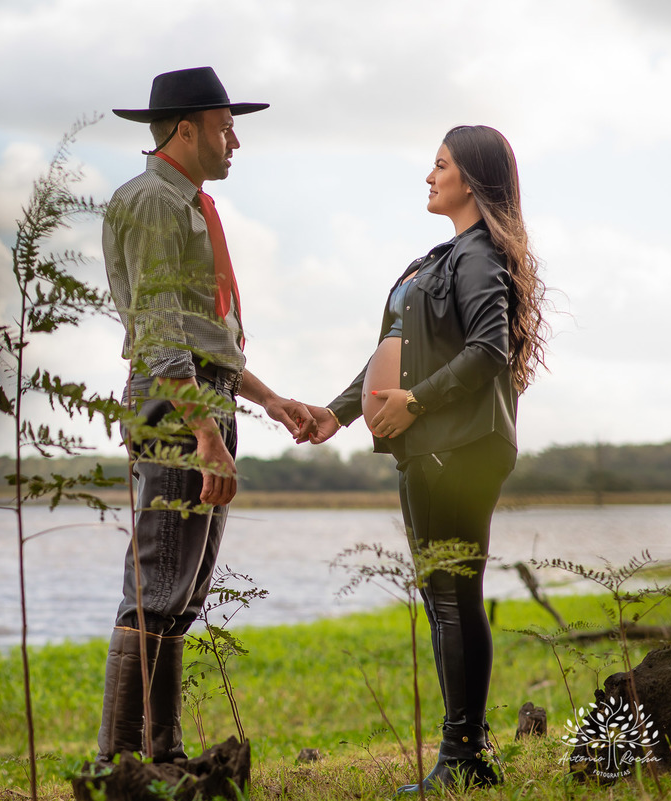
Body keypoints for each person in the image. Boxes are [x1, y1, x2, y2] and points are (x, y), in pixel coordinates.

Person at [303, 125, 549, 793]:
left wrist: (415, 402)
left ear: (469, 178)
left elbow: (489, 350)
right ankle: (469, 752)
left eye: (440, 165)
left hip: (456, 446)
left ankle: (462, 755)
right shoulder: (444, 257)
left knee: (448, 594)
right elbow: (395, 348)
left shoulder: (476, 256)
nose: (430, 175)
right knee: (450, 594)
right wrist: (337, 411)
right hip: (443, 445)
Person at [97, 66, 319, 765]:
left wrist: (269, 398)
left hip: (202, 397)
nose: (235, 143)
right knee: (159, 579)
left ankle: (160, 755)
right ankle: (123, 762)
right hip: (178, 409)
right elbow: (162, 334)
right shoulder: (156, 203)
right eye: (227, 127)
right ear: (185, 128)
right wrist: (201, 435)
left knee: (180, 590)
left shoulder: (185, 202)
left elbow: (203, 339)